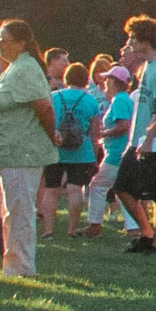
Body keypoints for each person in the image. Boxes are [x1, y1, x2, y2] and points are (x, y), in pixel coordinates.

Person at [0, 20, 57, 278]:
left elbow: (44, 107)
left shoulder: (26, 68)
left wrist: (51, 133)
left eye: (4, 38)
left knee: (20, 212)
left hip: (22, 153)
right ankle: (14, 265)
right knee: (13, 211)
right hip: (11, 154)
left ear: (20, 42)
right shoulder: (15, 68)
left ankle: (21, 269)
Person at [114, 18, 156, 254]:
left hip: (155, 141)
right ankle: (147, 233)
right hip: (138, 140)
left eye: (133, 38)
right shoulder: (148, 66)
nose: (129, 43)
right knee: (121, 187)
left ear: (145, 40)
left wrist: (148, 136)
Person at [40, 62, 103, 237]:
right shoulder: (91, 100)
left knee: (51, 189)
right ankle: (72, 229)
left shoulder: (54, 96)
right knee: (75, 190)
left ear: (67, 78)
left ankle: (48, 229)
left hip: (55, 149)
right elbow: (95, 132)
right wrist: (94, 155)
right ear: (85, 80)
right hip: (81, 151)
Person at [83, 64, 135, 237]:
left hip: (115, 154)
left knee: (96, 186)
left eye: (108, 79)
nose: (105, 82)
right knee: (123, 190)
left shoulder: (120, 100)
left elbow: (123, 125)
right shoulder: (124, 99)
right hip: (122, 153)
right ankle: (133, 228)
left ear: (116, 82)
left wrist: (103, 133)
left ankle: (94, 224)